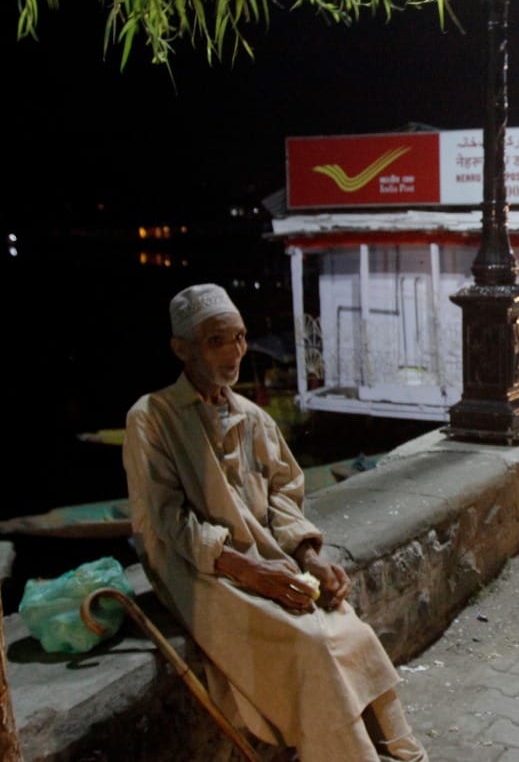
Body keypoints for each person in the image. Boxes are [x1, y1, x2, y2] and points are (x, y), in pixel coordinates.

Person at [123, 284, 427, 762]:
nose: (234, 352)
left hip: (264, 554)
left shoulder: (252, 417)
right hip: (199, 568)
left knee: (348, 628)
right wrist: (249, 571)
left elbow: (284, 494)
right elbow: (166, 519)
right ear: (181, 348)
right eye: (216, 340)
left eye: (240, 337)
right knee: (310, 643)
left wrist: (308, 555)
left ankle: (397, 743)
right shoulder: (152, 418)